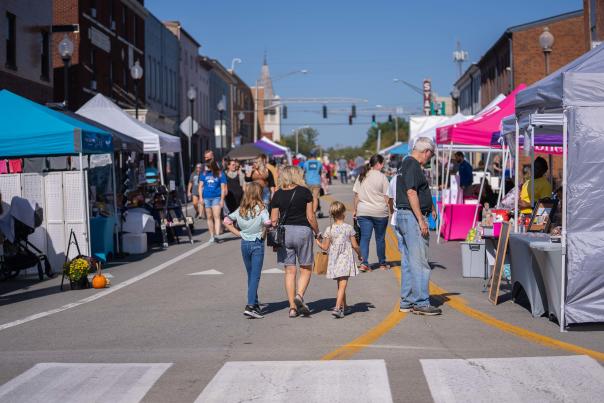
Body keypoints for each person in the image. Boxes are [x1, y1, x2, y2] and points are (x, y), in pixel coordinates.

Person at [395, 137, 441, 316]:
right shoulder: (413, 165)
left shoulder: (405, 164)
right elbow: (411, 192)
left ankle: (407, 301)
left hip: (404, 216)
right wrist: (421, 219)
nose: (429, 160)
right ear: (426, 151)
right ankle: (421, 302)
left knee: (408, 262)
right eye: (430, 156)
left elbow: (416, 191)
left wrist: (430, 205)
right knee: (420, 262)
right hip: (411, 218)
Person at [271, 165, 320, 318]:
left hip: (285, 233)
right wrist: (317, 233)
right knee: (305, 268)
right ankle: (299, 295)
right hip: (303, 231)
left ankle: (292, 307)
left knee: (289, 271)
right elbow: (311, 217)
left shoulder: (277, 194)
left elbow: (273, 220)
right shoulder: (305, 192)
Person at [223, 182, 270, 319]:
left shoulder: (241, 209)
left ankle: (254, 303)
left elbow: (226, 220)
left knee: (251, 275)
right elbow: (267, 223)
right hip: (257, 243)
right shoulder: (262, 209)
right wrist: (268, 227)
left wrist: (238, 233)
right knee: (255, 276)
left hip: (244, 243)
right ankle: (250, 305)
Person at [316, 201, 362, 318]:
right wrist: (359, 255)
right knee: (342, 285)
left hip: (335, 260)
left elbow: (325, 247)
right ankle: (337, 308)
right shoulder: (348, 228)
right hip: (345, 260)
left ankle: (345, 306)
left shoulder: (329, 229)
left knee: (340, 284)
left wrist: (318, 242)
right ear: (343, 213)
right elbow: (355, 245)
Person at [352, 154, 390, 272]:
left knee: (365, 238)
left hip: (363, 211)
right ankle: (382, 263)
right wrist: (390, 210)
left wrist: (355, 209)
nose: (383, 166)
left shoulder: (362, 175)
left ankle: (364, 263)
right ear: (378, 164)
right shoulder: (383, 177)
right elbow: (387, 196)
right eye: (382, 163)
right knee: (380, 238)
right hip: (380, 212)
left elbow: (357, 195)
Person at [198, 160, 227, 243]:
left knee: (216, 216)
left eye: (208, 166)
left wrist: (222, 199)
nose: (206, 167)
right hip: (206, 197)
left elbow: (222, 188)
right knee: (209, 217)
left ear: (212, 166)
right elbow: (200, 186)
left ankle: (217, 235)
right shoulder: (204, 174)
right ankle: (212, 235)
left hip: (216, 197)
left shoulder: (220, 174)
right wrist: (200, 198)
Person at [303, 151, 323, 216]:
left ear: (310, 156)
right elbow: (320, 172)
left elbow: (304, 172)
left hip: (308, 182)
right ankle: (314, 212)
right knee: (315, 198)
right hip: (316, 182)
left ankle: (308, 212)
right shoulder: (319, 163)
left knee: (308, 198)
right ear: (315, 156)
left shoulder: (306, 163)